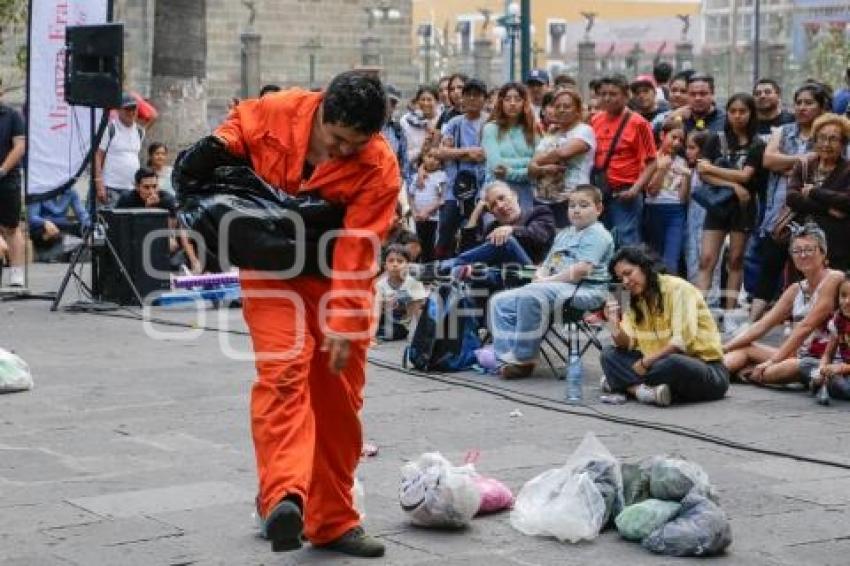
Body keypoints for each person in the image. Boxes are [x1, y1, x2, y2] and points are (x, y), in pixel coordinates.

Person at [213, 71, 398, 557]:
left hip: (337, 280)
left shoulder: (378, 164)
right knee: (283, 373)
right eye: (334, 139)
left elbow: (360, 248)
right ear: (320, 112)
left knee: (339, 402)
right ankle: (283, 498)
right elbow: (239, 125)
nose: (340, 152)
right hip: (270, 270)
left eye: (352, 145)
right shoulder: (279, 111)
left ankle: (333, 520)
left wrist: (343, 318)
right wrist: (221, 143)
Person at [488, 185, 613, 378]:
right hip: (554, 287)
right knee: (500, 301)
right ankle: (505, 359)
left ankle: (524, 358)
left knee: (533, 293)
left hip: (585, 290)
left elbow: (581, 270)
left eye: (583, 205)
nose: (576, 210)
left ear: (598, 209)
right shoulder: (564, 234)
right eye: (572, 205)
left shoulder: (598, 234)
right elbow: (547, 265)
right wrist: (540, 276)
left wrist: (545, 281)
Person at [601, 245, 730, 406]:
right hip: (658, 364)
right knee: (608, 354)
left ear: (644, 266)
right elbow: (627, 344)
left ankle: (623, 384)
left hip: (704, 369)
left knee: (673, 363)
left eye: (628, 273)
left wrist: (644, 363)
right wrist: (613, 323)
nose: (625, 282)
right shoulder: (633, 298)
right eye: (620, 279)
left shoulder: (678, 288)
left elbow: (680, 343)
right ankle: (641, 390)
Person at [749, 82, 832, 322]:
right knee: (770, 264)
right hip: (782, 211)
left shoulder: (830, 134)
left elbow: (831, 167)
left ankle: (809, 321)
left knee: (811, 266)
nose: (802, 108)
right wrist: (804, 161)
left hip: (817, 210)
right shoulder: (783, 131)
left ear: (821, 106)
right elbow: (768, 160)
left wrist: (789, 166)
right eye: (799, 103)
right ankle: (753, 322)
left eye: (809, 103)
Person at [723, 223, 843, 388]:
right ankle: (710, 372)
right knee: (744, 348)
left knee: (787, 366)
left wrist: (773, 361)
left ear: (823, 253)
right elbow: (761, 325)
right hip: (799, 355)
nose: (802, 255)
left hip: (826, 359)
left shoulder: (834, 279)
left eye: (809, 250)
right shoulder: (796, 289)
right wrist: (723, 348)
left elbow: (806, 326)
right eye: (797, 251)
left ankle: (746, 372)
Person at [693, 94, 766, 328]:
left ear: (751, 113)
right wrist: (733, 184)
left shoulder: (757, 143)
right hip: (718, 205)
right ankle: (698, 313)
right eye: (733, 111)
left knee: (735, 260)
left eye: (742, 111)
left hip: (743, 209)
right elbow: (702, 173)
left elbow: (747, 175)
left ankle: (730, 314)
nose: (737, 116)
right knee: (706, 260)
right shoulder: (716, 138)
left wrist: (715, 170)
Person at [436, 181, 555, 284]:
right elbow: (471, 254)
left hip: (532, 274)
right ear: (491, 212)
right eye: (493, 205)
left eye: (502, 198)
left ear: (514, 195)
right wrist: (475, 214)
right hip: (502, 276)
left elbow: (540, 235)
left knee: (506, 241)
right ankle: (450, 271)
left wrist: (511, 230)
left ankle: (441, 267)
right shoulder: (492, 227)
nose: (501, 206)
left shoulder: (539, 212)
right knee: (469, 274)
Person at [591, 74, 657, 246]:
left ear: (626, 95)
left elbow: (652, 161)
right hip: (600, 191)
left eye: (613, 94)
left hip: (625, 193)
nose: (607, 98)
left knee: (626, 239)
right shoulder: (595, 119)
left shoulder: (639, 123)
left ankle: (630, 273)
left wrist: (635, 189)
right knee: (601, 240)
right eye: (603, 94)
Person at [785, 113, 850, 272]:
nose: (826, 144)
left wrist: (813, 191)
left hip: (837, 243)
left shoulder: (847, 169)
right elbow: (792, 198)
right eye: (821, 138)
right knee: (802, 286)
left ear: (843, 143)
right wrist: (827, 209)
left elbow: (846, 201)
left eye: (833, 139)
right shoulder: (805, 164)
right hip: (802, 239)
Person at [434, 78, 488, 259]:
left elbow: (485, 155)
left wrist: (459, 153)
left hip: (482, 187)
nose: (472, 99)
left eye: (477, 95)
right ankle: (442, 267)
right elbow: (442, 152)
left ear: (484, 99)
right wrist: (468, 152)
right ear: (462, 98)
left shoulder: (490, 123)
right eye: (469, 95)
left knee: (476, 233)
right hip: (455, 188)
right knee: (446, 230)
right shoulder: (455, 123)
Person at [529, 88, 596, 227]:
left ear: (578, 110)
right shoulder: (551, 133)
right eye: (557, 106)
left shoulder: (584, 130)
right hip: (542, 199)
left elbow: (562, 153)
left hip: (572, 199)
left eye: (567, 106)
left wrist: (537, 162)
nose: (561, 110)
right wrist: (542, 169)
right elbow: (530, 170)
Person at [117, 167, 201, 274]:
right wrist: (148, 210)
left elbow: (178, 229)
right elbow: (121, 229)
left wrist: (193, 260)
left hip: (158, 236)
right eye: (146, 187)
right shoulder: (126, 199)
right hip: (133, 239)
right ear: (137, 187)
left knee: (171, 243)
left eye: (154, 186)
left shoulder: (167, 199)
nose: (151, 191)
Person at [481, 82, 539, 212]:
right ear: (501, 102)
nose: (512, 103)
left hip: (526, 193)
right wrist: (527, 168)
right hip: (497, 193)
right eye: (507, 99)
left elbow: (538, 165)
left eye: (517, 99)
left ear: (524, 103)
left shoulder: (533, 130)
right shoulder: (490, 129)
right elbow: (497, 167)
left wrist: (510, 171)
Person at [643, 120, 690, 274]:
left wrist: (687, 177)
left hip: (676, 210)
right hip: (653, 209)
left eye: (681, 140)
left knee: (672, 258)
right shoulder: (651, 159)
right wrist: (662, 169)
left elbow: (683, 198)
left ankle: (671, 294)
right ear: (662, 135)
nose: (677, 143)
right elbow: (651, 191)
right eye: (673, 137)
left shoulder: (684, 162)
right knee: (653, 256)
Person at [95, 92, 154, 206]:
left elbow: (152, 115)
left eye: (134, 109)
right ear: (119, 110)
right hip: (111, 187)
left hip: (131, 189)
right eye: (127, 109)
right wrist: (98, 182)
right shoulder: (110, 129)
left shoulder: (140, 131)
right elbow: (98, 155)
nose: (131, 112)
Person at [0, 79, 26, 287]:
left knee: (11, 227)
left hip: (8, 179)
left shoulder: (13, 116)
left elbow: (19, 146)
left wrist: (2, 170)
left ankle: (16, 272)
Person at [373, 244, 428, 342]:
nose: (395, 264)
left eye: (400, 261)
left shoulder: (414, 283)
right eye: (391, 261)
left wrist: (422, 337)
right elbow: (376, 312)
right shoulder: (380, 284)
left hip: (400, 325)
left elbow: (419, 312)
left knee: (392, 332)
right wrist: (371, 335)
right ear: (385, 266)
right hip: (384, 320)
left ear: (407, 265)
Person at [813, 273, 850, 404]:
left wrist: (841, 368)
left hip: (845, 370)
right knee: (807, 364)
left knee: (845, 387)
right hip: (844, 369)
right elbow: (828, 354)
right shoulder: (838, 321)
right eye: (843, 295)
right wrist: (821, 369)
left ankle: (827, 385)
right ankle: (823, 383)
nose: (847, 301)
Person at [27, 187, 90, 262]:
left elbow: (82, 214)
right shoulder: (38, 191)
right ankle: (57, 252)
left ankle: (68, 247)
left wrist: (89, 229)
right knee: (38, 229)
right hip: (45, 227)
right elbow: (32, 217)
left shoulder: (70, 192)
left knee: (85, 228)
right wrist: (45, 222)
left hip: (63, 226)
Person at [408, 147, 446, 262]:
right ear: (423, 158)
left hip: (432, 218)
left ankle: (430, 268)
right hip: (417, 218)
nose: (432, 160)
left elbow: (441, 199)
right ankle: (419, 266)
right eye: (429, 157)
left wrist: (427, 211)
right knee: (418, 243)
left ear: (440, 163)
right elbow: (411, 195)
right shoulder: (416, 177)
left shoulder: (441, 176)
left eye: (436, 158)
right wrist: (414, 212)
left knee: (430, 244)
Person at [400, 85, 440, 184]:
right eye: (423, 99)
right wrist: (421, 151)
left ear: (437, 102)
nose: (426, 103)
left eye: (429, 99)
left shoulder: (443, 120)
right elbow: (404, 155)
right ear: (417, 101)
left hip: (438, 173)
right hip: (412, 174)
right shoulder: (406, 121)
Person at [381, 84, 409, 186]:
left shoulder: (398, 130)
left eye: (393, 103)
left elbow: (404, 160)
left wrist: (401, 179)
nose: (390, 106)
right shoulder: (368, 128)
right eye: (387, 101)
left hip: (392, 184)